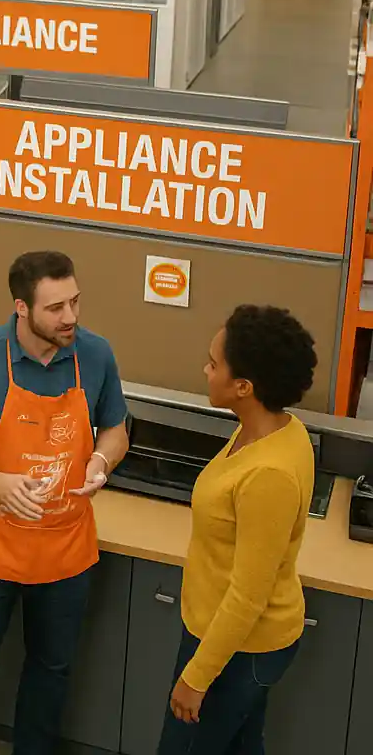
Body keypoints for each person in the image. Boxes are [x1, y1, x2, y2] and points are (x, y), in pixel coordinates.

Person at [0, 250, 129, 755]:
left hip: (65, 550)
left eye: (75, 302)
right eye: (55, 308)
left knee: (52, 669)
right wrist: (0, 485)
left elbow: (115, 429)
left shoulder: (97, 355)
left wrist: (101, 463)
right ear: (21, 308)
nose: (70, 318)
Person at [158, 305, 317, 755]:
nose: (205, 369)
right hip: (221, 635)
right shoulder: (267, 430)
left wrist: (196, 677)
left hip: (239, 649)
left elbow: (248, 595)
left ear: (243, 387)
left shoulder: (270, 474)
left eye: (214, 363)